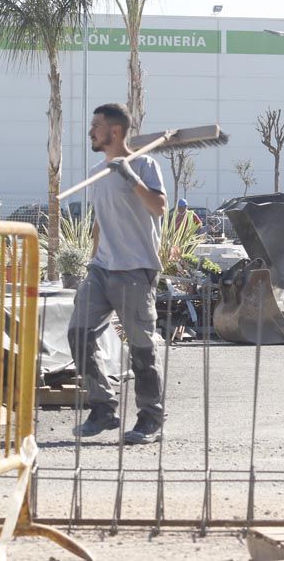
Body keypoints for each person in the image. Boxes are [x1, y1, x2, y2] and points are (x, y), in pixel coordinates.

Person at [68, 103, 167, 444]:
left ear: (115, 131)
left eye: (96, 126)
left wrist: (132, 177)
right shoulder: (98, 171)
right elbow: (100, 222)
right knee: (78, 333)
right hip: (101, 268)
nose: (90, 131)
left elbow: (159, 207)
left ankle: (150, 418)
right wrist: (92, 261)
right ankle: (103, 408)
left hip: (135, 270)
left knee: (141, 347)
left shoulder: (145, 164)